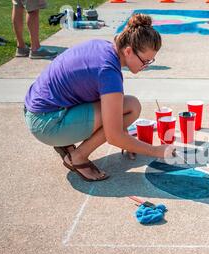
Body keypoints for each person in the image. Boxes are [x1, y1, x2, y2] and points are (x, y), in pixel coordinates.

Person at [23, 14, 175, 182]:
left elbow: (102, 102)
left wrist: (127, 139)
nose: (145, 66)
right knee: (132, 106)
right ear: (128, 51)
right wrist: (157, 151)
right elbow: (114, 136)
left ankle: (66, 141)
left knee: (126, 105)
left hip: (40, 111)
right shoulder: (108, 73)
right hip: (46, 125)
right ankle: (77, 157)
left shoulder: (104, 47)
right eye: (145, 61)